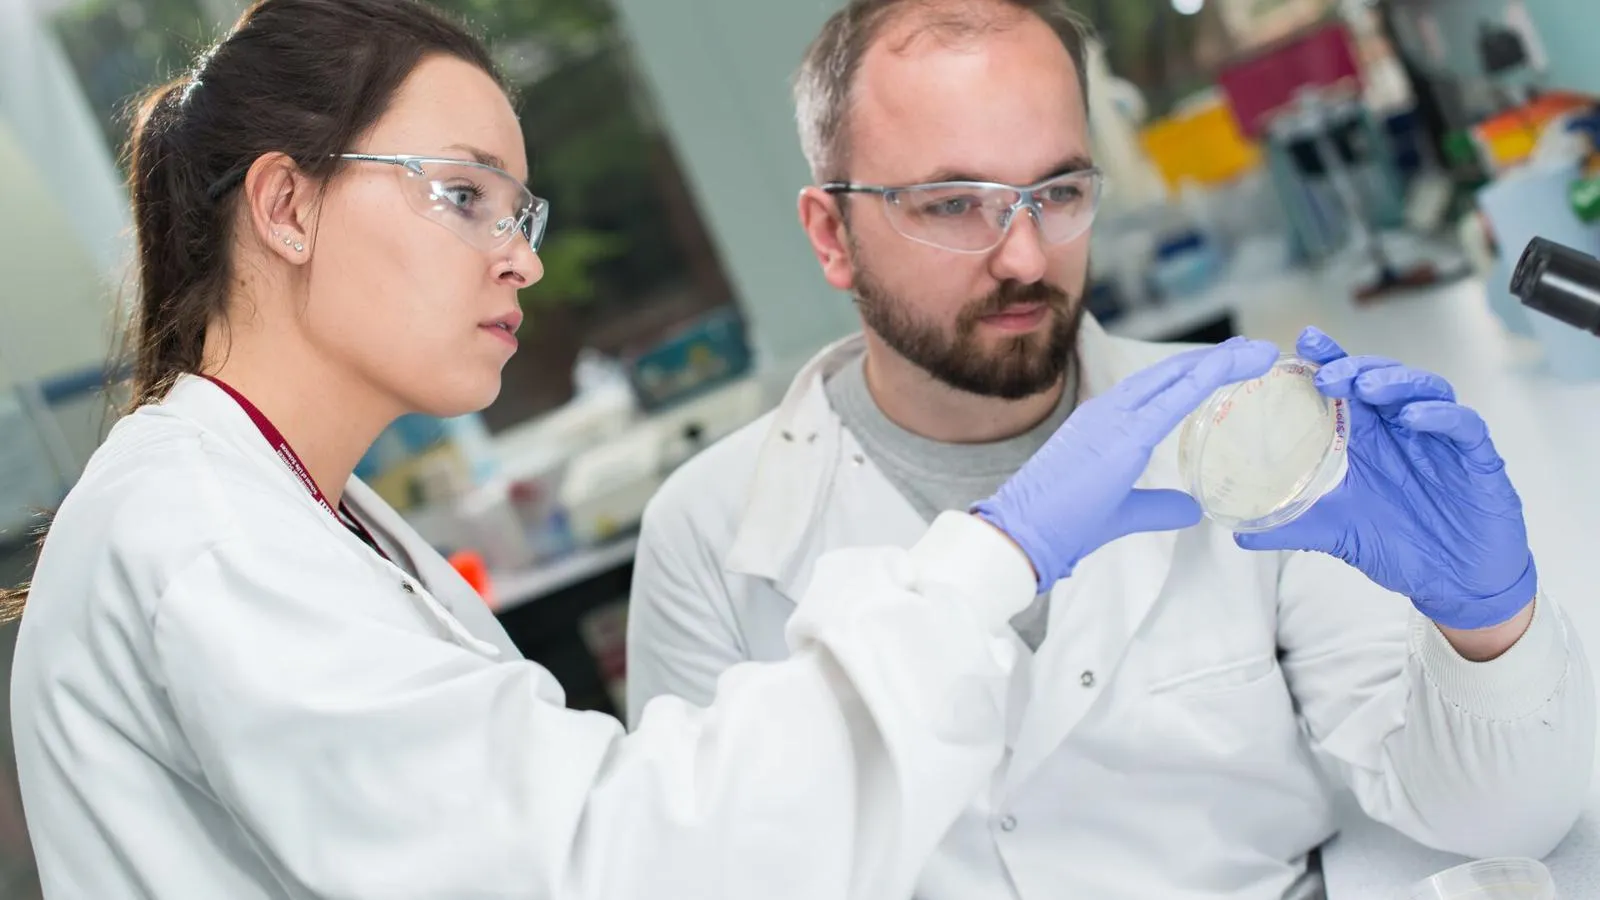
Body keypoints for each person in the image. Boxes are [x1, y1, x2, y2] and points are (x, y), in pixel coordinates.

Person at [3, 1, 1291, 897]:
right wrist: (993, 556)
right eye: (462, 197)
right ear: (285, 204)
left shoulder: (295, 510)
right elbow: (605, 864)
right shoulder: (200, 531)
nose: (523, 256)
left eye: (522, 208)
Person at [625, 1, 1597, 898]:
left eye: (1055, 190)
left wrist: (1491, 629)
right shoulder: (712, 533)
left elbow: (1500, 821)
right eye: (952, 203)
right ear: (831, 233)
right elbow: (705, 870)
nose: (1021, 255)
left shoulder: (1251, 428)